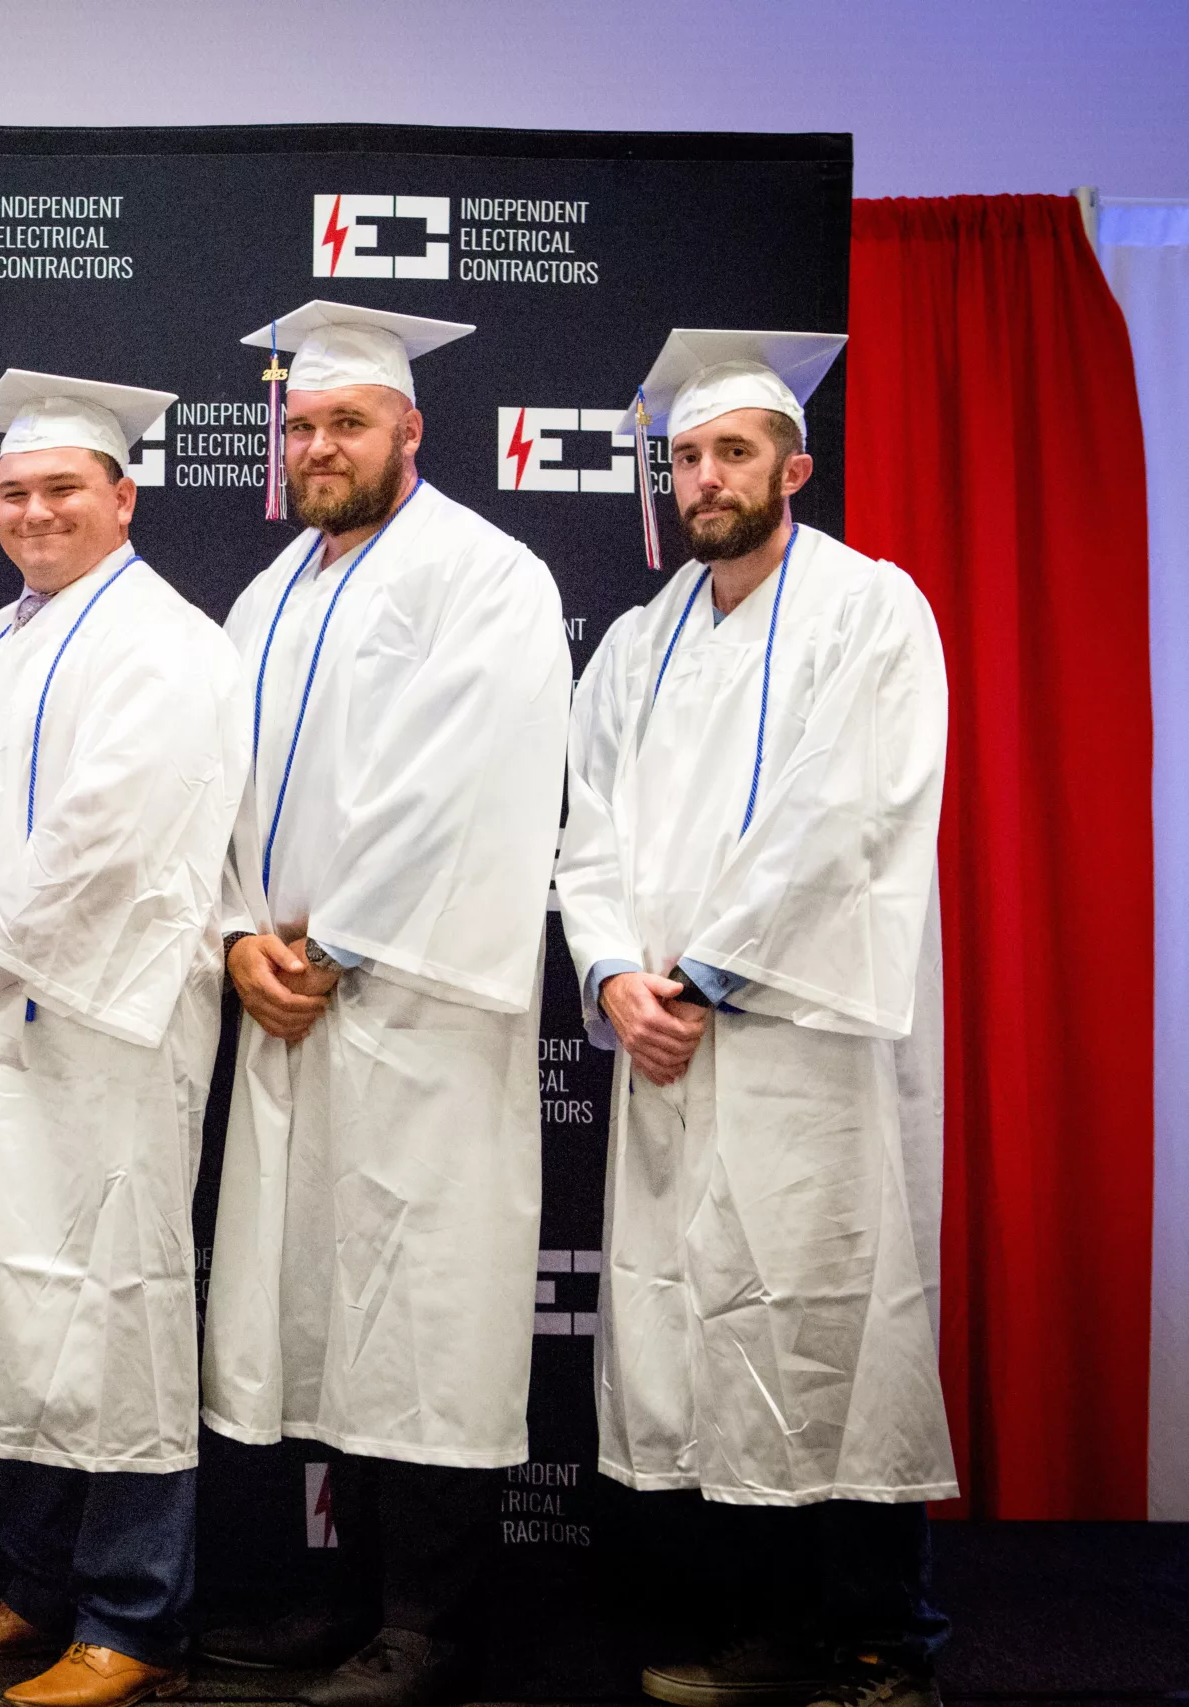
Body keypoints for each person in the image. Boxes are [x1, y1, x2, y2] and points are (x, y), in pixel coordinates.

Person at [555, 331, 953, 1707]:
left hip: (798, 1037)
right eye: (687, 457)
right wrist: (615, 975)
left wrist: (707, 976)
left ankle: (876, 1639)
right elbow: (587, 831)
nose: (707, 478)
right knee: (695, 1330)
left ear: (796, 466)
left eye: (735, 452)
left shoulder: (870, 609)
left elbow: (845, 810)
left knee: (828, 1316)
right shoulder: (638, 641)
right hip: (663, 1043)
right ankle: (750, 1627)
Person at [198, 303, 571, 1707]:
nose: (318, 446)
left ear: (411, 428)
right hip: (292, 1003)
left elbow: (461, 783)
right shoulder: (269, 594)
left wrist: (335, 942)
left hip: (416, 1006)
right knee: (324, 1306)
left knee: (424, 1308)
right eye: (300, 424)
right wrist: (238, 935)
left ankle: (429, 1623)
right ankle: (351, 1596)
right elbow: (214, 785)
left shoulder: (485, 574)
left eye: (347, 422)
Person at [0, 371, 247, 1707]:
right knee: (20, 1302)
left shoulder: (168, 642)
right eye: (16, 492)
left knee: (117, 1309)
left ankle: (133, 1617)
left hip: (107, 1035)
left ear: (124, 498)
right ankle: (35, 1589)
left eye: (62, 489)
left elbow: (114, 837)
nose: (36, 511)